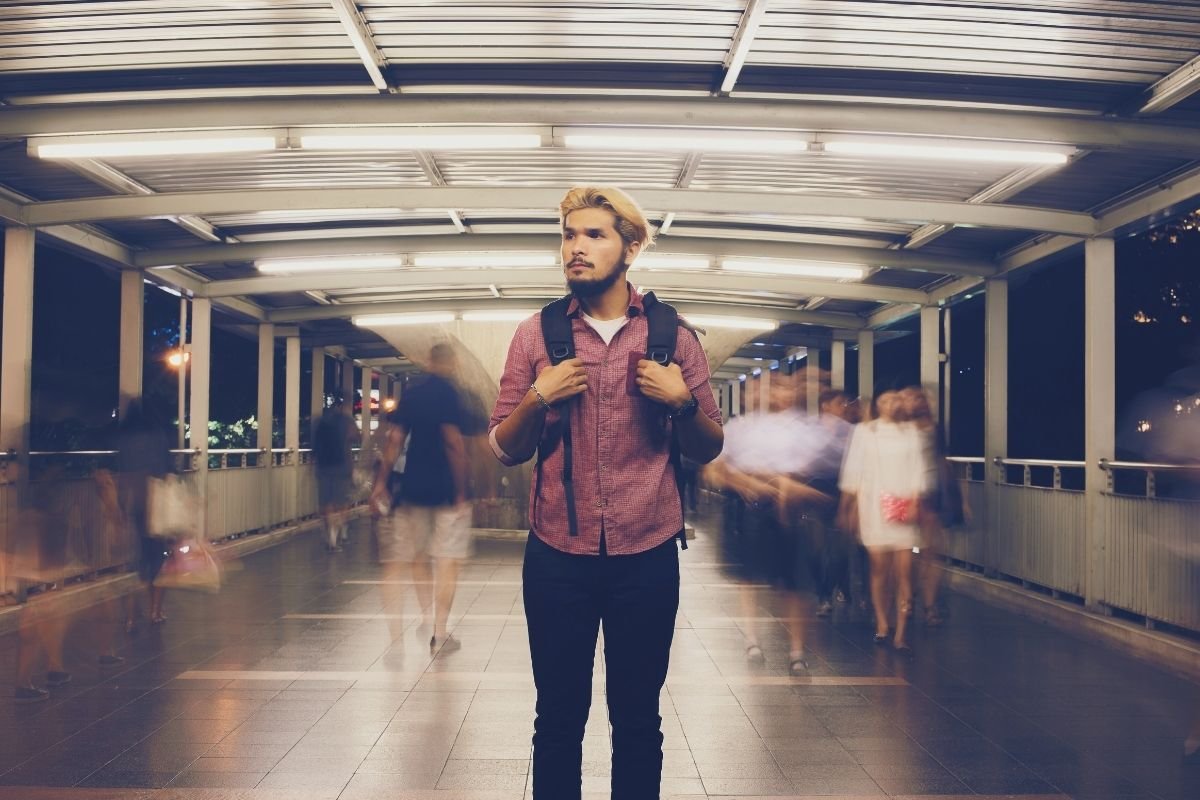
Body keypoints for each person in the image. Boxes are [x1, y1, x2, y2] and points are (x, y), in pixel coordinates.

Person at [488, 186, 724, 799]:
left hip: (646, 551)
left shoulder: (674, 337)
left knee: (638, 720)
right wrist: (540, 396)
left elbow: (709, 447)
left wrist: (683, 402)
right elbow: (505, 446)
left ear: (631, 247)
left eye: (594, 235)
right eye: (569, 235)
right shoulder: (535, 335)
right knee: (558, 720)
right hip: (555, 553)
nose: (576, 247)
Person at [370, 343, 472, 652]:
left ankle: (414, 624)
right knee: (446, 561)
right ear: (452, 362)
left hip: (412, 488)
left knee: (416, 556)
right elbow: (453, 442)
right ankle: (439, 633)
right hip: (443, 489)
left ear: (428, 360)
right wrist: (461, 489)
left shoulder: (413, 392)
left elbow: (395, 440)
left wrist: (381, 483)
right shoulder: (451, 393)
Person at [837, 389, 933, 655]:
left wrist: (915, 500)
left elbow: (920, 470)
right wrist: (849, 506)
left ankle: (901, 631)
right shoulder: (866, 432)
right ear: (878, 404)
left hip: (905, 511)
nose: (892, 404)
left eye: (895, 399)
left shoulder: (913, 433)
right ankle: (882, 622)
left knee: (903, 571)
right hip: (874, 509)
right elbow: (853, 471)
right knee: (879, 569)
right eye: (886, 400)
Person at [116, 399, 173, 627]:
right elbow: (168, 469)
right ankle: (156, 611)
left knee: (138, 562)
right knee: (158, 560)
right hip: (156, 505)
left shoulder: (125, 440)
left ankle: (131, 616)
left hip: (135, 505)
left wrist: (121, 507)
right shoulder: (157, 436)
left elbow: (122, 474)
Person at [314, 396, 357, 553]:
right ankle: (336, 534)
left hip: (323, 468)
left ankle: (328, 533)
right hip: (342, 468)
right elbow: (355, 437)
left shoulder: (320, 421)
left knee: (326, 503)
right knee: (341, 503)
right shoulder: (346, 421)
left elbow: (313, 444)